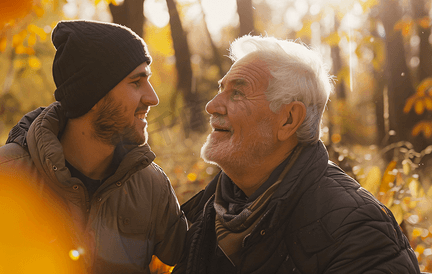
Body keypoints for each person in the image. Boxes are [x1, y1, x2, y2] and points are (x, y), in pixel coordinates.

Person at [172, 35, 421, 274]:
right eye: (221, 89)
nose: (211, 106)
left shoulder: (358, 230)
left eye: (237, 93)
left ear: (288, 120)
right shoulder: (209, 212)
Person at [0, 20, 187, 273]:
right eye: (136, 82)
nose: (153, 98)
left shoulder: (152, 186)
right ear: (92, 96)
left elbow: (194, 259)